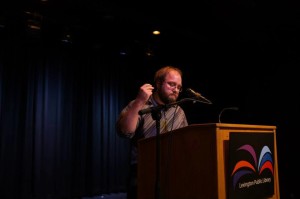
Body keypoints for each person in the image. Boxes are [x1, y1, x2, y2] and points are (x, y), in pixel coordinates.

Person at [116, 66, 188, 199]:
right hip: (142, 172)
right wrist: (139, 101)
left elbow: (184, 141)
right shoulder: (140, 105)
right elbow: (124, 131)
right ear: (158, 83)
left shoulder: (179, 112)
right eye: (172, 84)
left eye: (179, 87)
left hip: (171, 173)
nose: (176, 90)